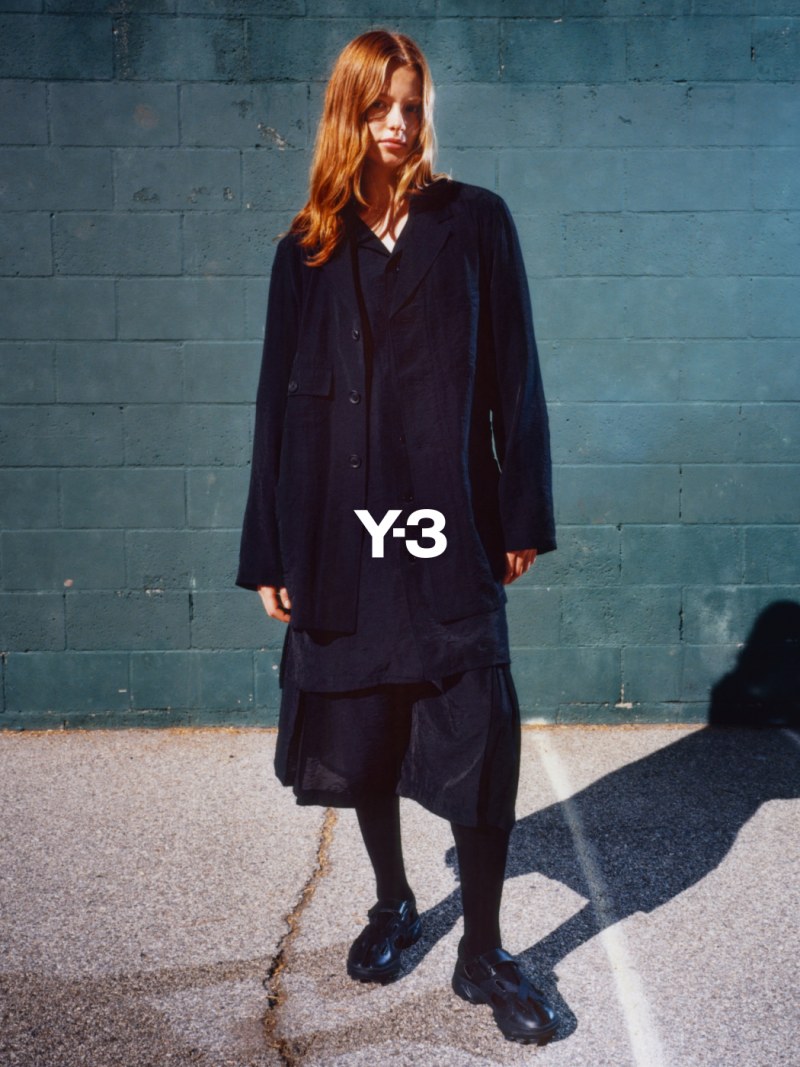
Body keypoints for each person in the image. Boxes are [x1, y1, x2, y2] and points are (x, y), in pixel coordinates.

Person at [237, 29, 557, 1045]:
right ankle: (391, 899)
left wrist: (519, 512)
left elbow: (516, 375)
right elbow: (274, 411)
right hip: (341, 535)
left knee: (480, 730)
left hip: (447, 526)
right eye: (380, 105)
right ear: (349, 111)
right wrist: (270, 550)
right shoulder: (307, 245)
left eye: (412, 104)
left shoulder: (474, 222)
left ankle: (484, 948)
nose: (399, 123)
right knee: (365, 726)